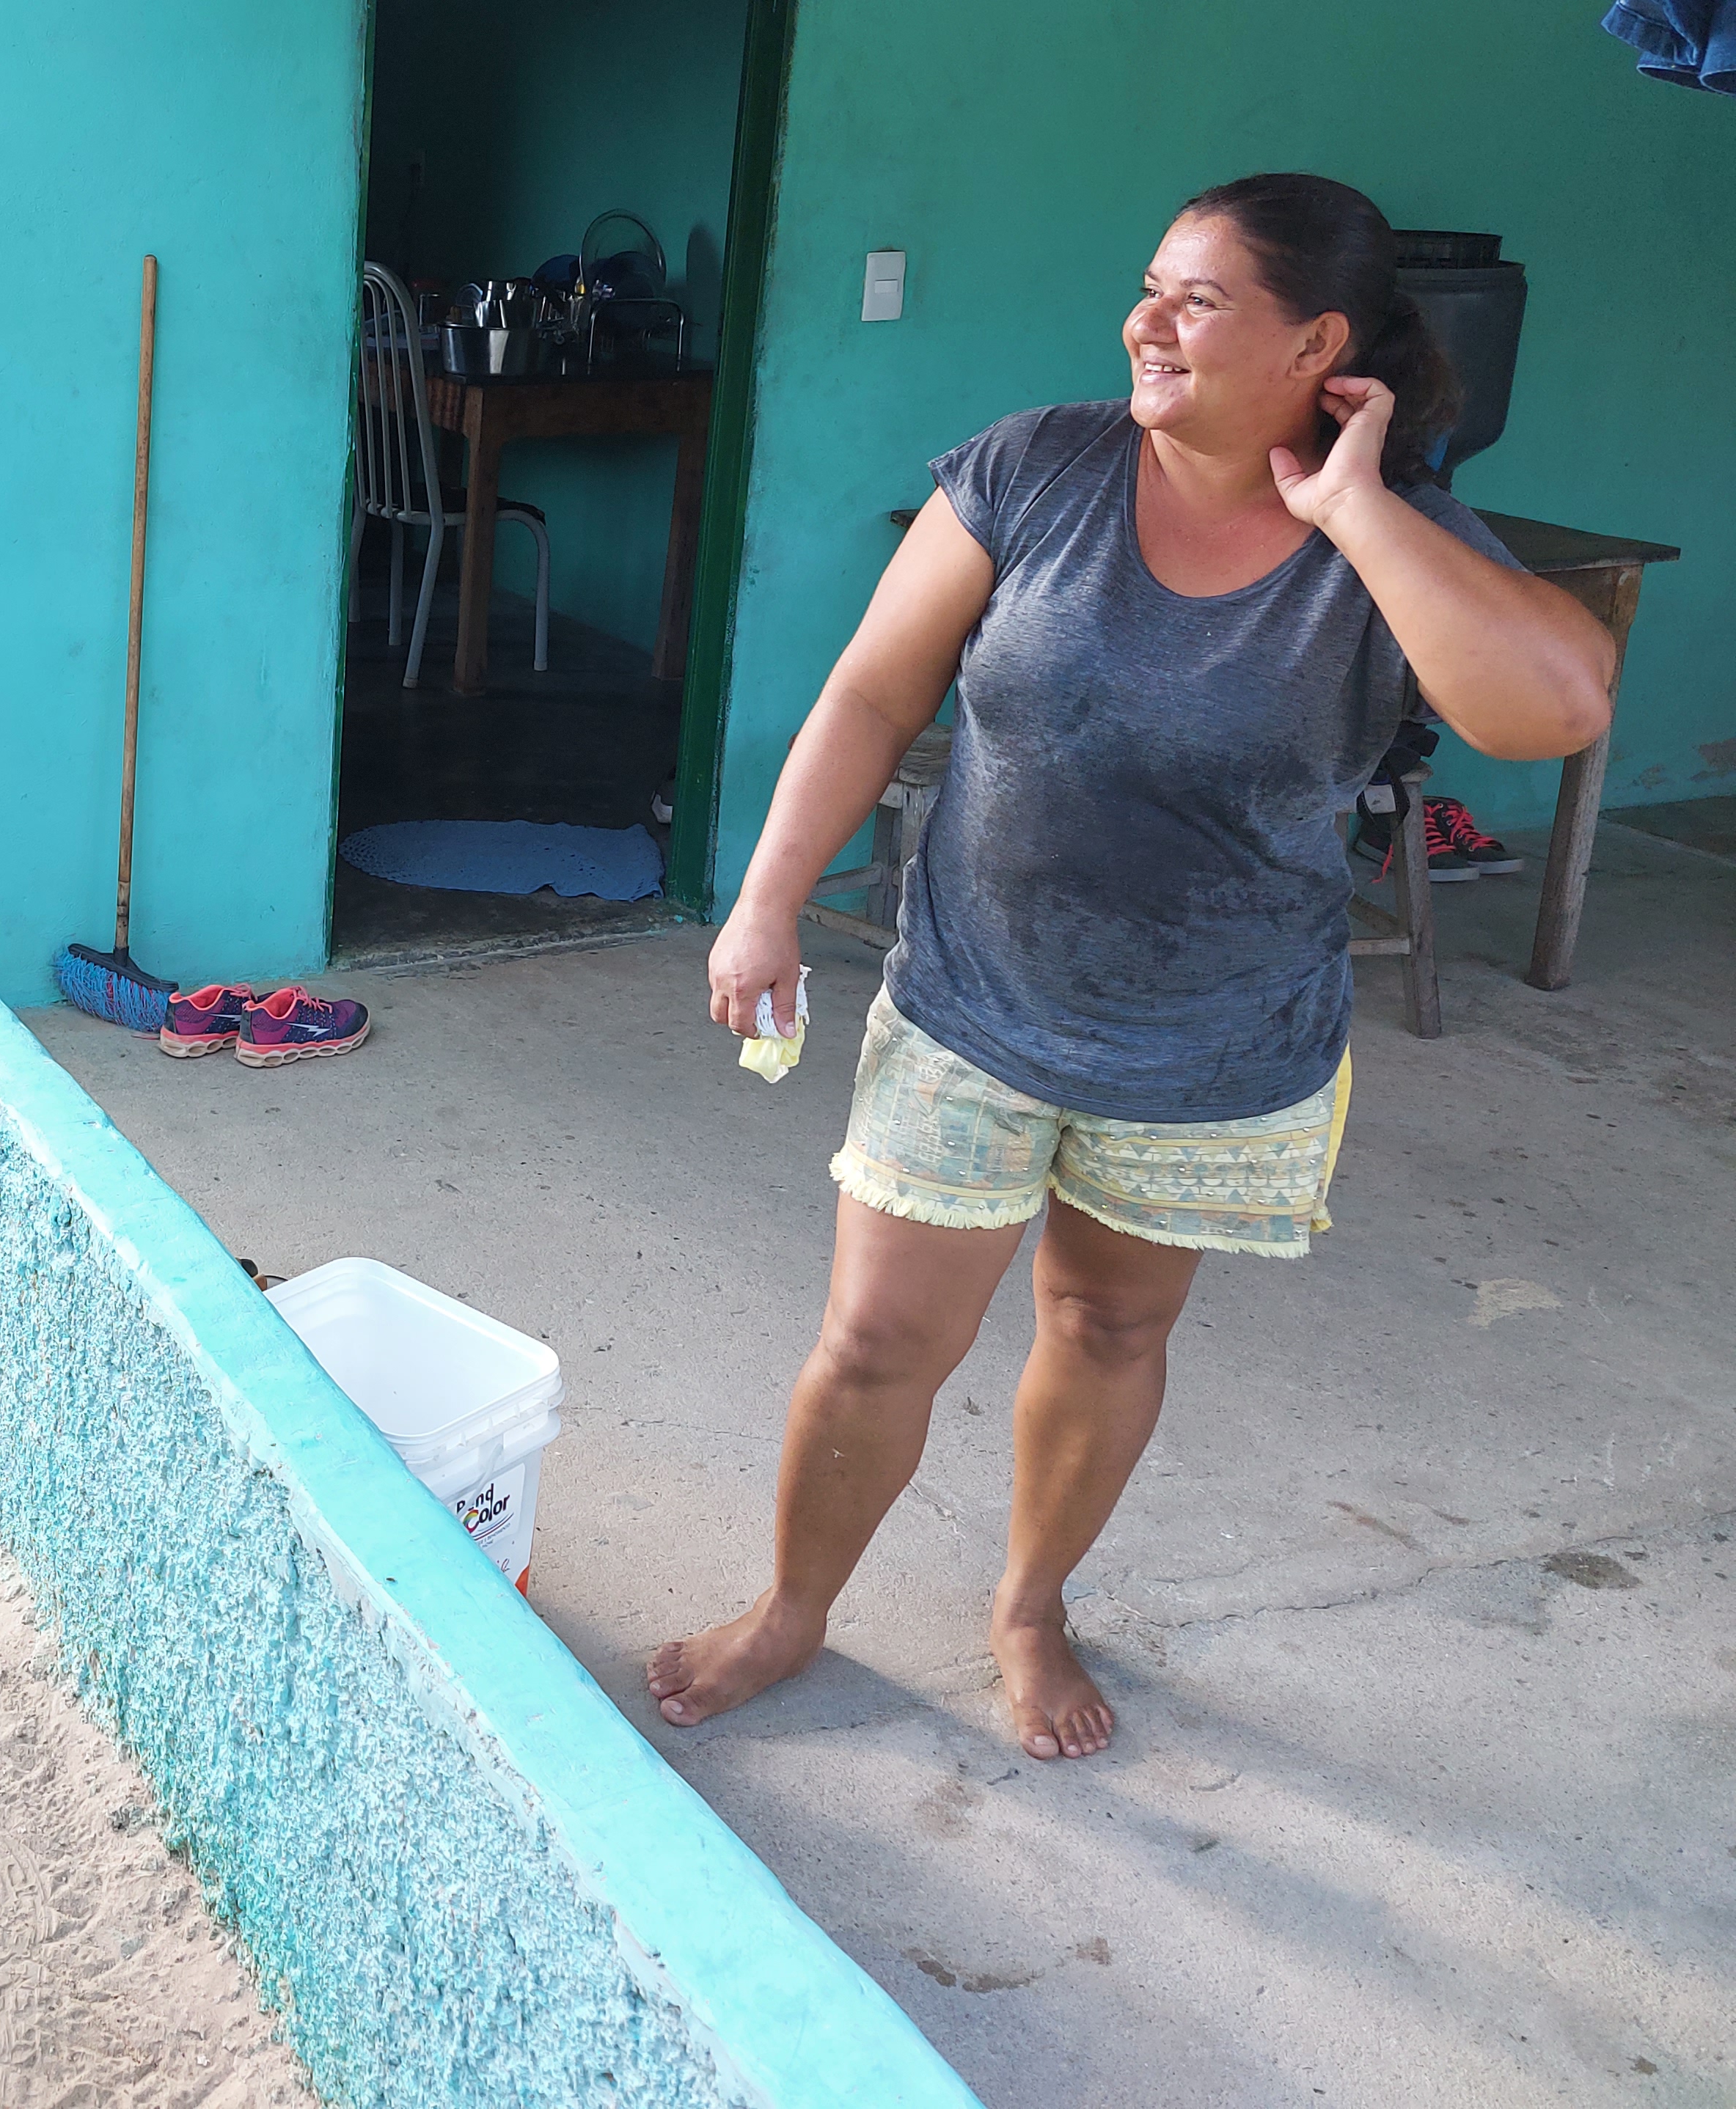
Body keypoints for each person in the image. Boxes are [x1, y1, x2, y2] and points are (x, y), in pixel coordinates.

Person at [651, 174, 1614, 1761]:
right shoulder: (1038, 467)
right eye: (1149, 286)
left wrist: (1357, 512)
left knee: (1106, 1332)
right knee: (877, 1343)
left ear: (1317, 345)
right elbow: (872, 692)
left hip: (1216, 1044)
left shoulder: (1394, 541)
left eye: (1196, 299)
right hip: (973, 1004)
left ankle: (1029, 1608)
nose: (1146, 323)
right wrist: (765, 902)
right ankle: (791, 1609)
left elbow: (1555, 711)